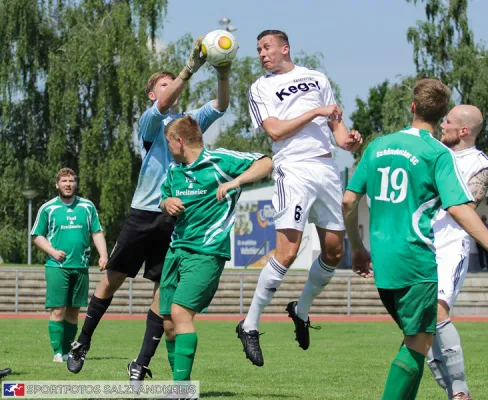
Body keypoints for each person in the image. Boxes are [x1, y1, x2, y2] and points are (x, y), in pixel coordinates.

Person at [342, 78, 488, 400]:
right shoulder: (437, 154)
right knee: (418, 341)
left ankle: (456, 392)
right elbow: (460, 208)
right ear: (442, 113)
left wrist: (356, 248)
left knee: (418, 337)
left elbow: (347, 201)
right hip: (418, 257)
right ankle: (459, 391)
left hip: (384, 259)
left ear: (413, 107)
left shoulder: (377, 146)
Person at [67, 35, 231, 381]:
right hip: (143, 213)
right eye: (163, 85)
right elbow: (164, 104)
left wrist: (221, 70)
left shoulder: (188, 122)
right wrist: (188, 69)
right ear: (152, 94)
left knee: (163, 293)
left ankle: (140, 363)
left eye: (174, 83)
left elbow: (221, 104)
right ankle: (82, 342)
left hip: (175, 220)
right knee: (112, 281)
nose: (171, 88)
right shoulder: (151, 121)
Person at [236, 29, 362, 367]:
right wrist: (315, 113)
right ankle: (249, 324)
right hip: (292, 168)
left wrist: (350, 141)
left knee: (335, 251)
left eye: (267, 47)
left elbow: (338, 132)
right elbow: (274, 130)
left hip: (326, 167)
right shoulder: (260, 87)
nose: (262, 53)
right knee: (287, 252)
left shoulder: (317, 78)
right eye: (258, 49)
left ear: (285, 48)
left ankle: (300, 309)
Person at [159, 115, 273, 381]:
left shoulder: (220, 160)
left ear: (179, 141)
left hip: (207, 252)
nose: (168, 149)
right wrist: (168, 203)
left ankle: (180, 390)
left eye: (169, 143)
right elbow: (163, 199)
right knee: (168, 324)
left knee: (180, 313)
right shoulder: (174, 171)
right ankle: (180, 387)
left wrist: (236, 182)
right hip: (175, 251)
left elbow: (266, 162)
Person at [426, 105, 488, 400]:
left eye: (449, 121)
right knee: (420, 323)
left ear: (464, 130)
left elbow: (465, 209)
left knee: (437, 311)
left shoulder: (480, 164)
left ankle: (460, 390)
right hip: (418, 243)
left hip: (449, 246)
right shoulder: (430, 151)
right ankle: (452, 391)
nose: (442, 125)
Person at [31, 168, 108, 363]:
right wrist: (52, 251)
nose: (68, 184)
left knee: (74, 310)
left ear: (76, 184)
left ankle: (67, 351)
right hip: (57, 266)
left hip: (81, 267)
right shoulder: (48, 208)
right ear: (57, 184)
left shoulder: (87, 207)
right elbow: (37, 236)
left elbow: (96, 232)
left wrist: (103, 255)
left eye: (71, 180)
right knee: (57, 309)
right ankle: (58, 352)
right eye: (64, 181)